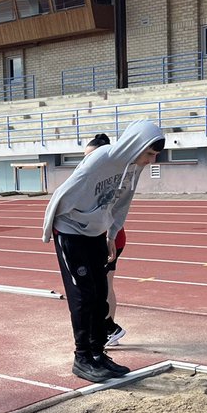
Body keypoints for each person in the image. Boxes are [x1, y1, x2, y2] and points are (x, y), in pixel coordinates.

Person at [43, 120, 165, 383]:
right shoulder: (100, 159)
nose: (151, 161)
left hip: (96, 233)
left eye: (154, 156)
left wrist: (111, 232)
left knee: (100, 294)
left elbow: (122, 200)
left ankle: (98, 354)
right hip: (69, 230)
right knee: (83, 296)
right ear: (136, 146)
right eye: (149, 154)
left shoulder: (133, 166)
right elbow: (64, 192)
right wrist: (53, 229)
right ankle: (83, 357)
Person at [82, 133, 126, 348]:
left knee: (104, 286)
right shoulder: (95, 177)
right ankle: (107, 327)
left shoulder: (111, 178)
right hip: (100, 236)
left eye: (90, 156)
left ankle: (110, 329)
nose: (86, 161)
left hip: (109, 238)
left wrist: (110, 236)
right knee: (102, 285)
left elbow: (113, 211)